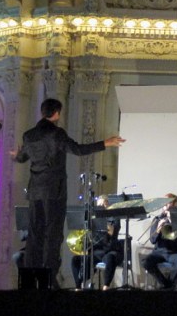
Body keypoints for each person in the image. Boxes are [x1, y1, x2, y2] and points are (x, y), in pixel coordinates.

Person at [11, 98, 125, 288]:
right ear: (56, 113)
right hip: (54, 192)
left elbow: (23, 157)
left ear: (43, 112)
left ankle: (30, 281)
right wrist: (105, 143)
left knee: (35, 234)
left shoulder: (29, 135)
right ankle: (49, 280)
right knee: (53, 235)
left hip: (35, 191)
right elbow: (78, 150)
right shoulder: (57, 134)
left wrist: (16, 157)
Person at [70, 195, 122, 290]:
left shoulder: (115, 218)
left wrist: (100, 220)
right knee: (75, 260)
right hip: (96, 252)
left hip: (110, 250)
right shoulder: (93, 219)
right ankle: (78, 286)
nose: (101, 207)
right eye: (99, 205)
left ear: (108, 205)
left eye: (103, 205)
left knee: (110, 258)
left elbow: (112, 231)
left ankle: (106, 287)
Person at [142, 193, 177, 290]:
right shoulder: (157, 219)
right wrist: (158, 229)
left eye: (168, 203)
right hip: (159, 252)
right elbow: (153, 240)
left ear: (175, 204)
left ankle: (166, 286)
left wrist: (172, 220)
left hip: (174, 253)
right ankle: (166, 284)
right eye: (164, 203)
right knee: (146, 262)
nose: (165, 205)